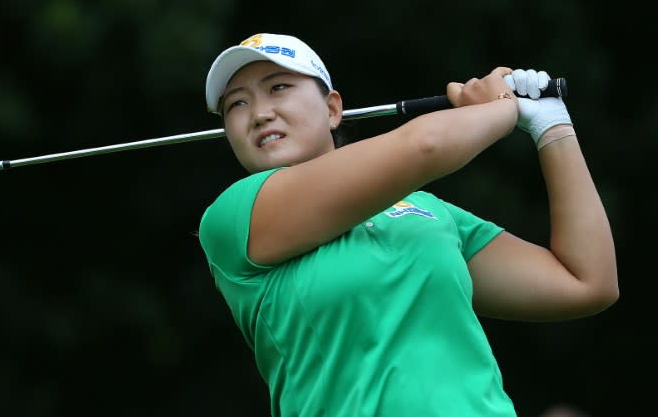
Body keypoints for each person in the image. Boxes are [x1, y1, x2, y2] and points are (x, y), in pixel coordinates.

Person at [197, 33, 619, 417]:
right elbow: (425, 145)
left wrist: (551, 125)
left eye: (278, 87)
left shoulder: (427, 212)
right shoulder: (235, 218)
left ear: (332, 109)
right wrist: (504, 108)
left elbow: (585, 282)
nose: (258, 113)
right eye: (237, 103)